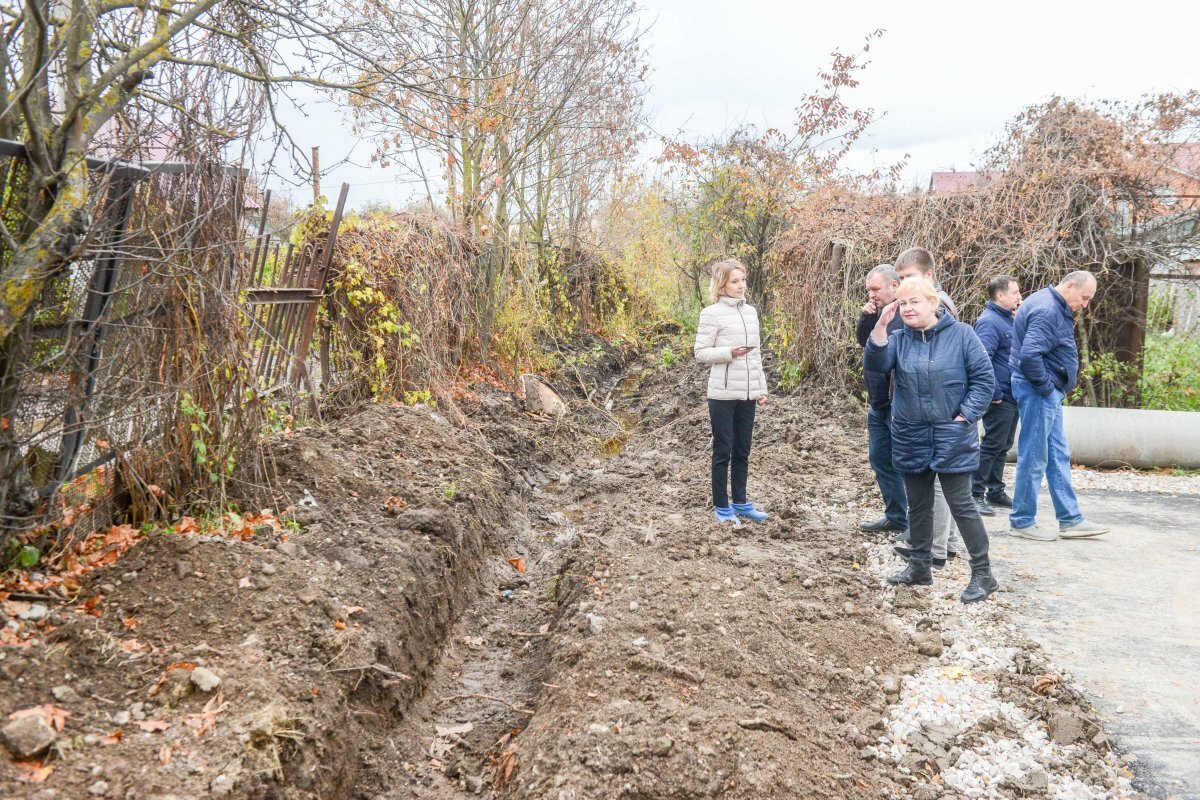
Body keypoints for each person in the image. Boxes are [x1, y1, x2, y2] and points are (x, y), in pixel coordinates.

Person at [865, 277, 998, 603]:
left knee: (962, 505)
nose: (909, 309)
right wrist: (880, 328)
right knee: (920, 505)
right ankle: (920, 567)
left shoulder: (963, 335)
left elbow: (984, 381)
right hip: (911, 434)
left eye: (915, 302)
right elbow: (876, 365)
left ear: (933, 304)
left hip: (951, 434)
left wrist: (965, 417)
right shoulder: (898, 339)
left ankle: (984, 575)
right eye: (903, 303)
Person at [1008, 271, 1110, 540]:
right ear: (1069, 286)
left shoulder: (1049, 303)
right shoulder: (1047, 310)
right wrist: (1046, 387)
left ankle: (1070, 519)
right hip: (1038, 392)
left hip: (1044, 392)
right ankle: (1022, 521)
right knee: (1034, 456)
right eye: (1084, 297)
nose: (1084, 305)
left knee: (1056, 454)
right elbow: (1029, 356)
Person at [894, 247, 962, 566]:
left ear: (929, 278)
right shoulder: (915, 306)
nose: (902, 286)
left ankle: (935, 549)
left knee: (935, 483)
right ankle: (944, 543)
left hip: (938, 412)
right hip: (927, 409)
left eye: (909, 278)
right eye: (900, 280)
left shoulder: (939, 307)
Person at [694, 258, 770, 525]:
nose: (741, 286)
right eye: (734, 281)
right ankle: (722, 506)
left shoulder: (751, 312)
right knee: (723, 450)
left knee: (743, 450)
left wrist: (760, 387)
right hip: (722, 394)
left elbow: (757, 354)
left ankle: (741, 502)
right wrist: (729, 353)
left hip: (748, 393)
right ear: (722, 284)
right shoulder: (711, 313)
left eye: (743, 280)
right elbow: (700, 352)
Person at [856, 265, 907, 534]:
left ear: (894, 285)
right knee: (880, 459)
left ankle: (915, 524)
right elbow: (864, 343)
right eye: (868, 290)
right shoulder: (877, 313)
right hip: (877, 403)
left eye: (875, 289)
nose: (871, 294)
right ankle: (896, 515)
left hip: (898, 405)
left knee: (905, 462)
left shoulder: (906, 314)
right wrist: (868, 318)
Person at [972, 275, 1022, 516]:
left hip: (1013, 394)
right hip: (1000, 396)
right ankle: (974, 494)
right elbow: (982, 360)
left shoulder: (1008, 320)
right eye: (1015, 292)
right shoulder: (989, 322)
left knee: (1003, 445)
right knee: (991, 445)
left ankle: (995, 490)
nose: (1019, 297)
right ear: (1000, 295)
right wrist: (994, 393)